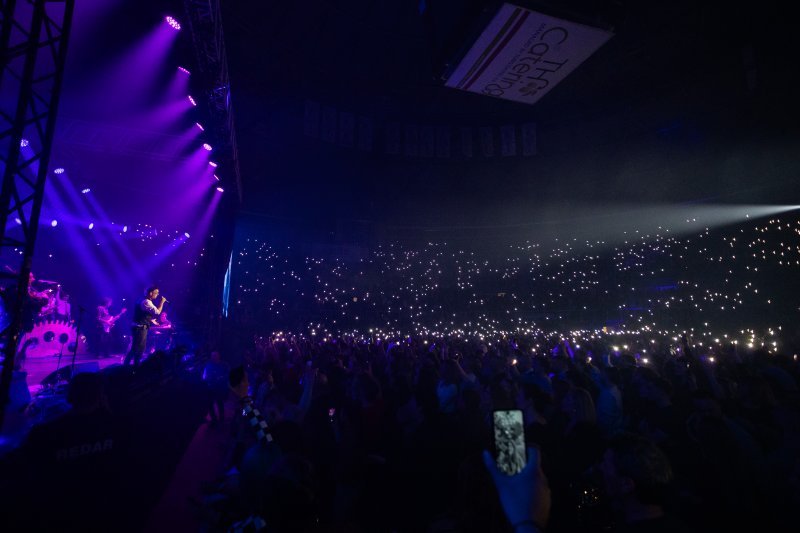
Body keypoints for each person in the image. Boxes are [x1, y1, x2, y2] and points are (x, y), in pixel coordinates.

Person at [124, 285, 165, 368]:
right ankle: (129, 366)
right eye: (156, 293)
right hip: (140, 328)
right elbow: (157, 312)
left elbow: (141, 314)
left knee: (138, 348)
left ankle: (133, 366)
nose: (157, 295)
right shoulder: (146, 301)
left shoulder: (143, 300)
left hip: (140, 327)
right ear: (150, 293)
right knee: (137, 348)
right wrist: (162, 302)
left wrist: (150, 320)